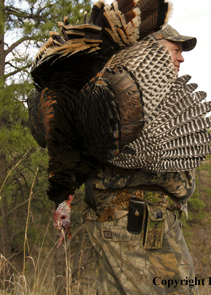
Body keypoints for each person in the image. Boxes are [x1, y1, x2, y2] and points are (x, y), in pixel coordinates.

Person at [82, 24, 200, 295]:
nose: (181, 58)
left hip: (128, 219)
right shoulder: (127, 95)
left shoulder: (135, 93)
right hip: (136, 220)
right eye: (175, 50)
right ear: (151, 51)